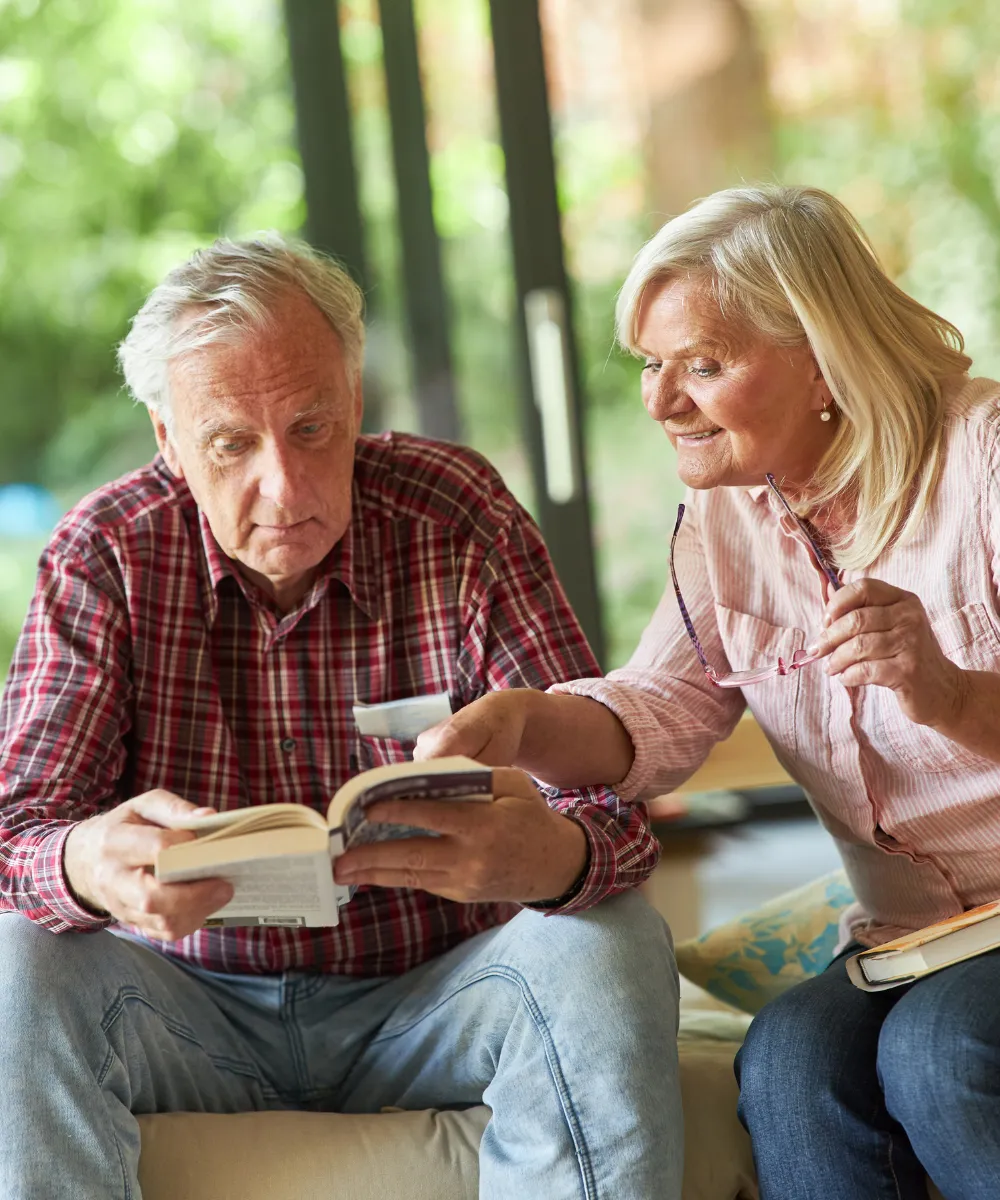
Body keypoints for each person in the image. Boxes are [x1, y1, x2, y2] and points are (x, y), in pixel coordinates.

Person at [0, 234, 682, 1200]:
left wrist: (556, 857)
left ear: (356, 401)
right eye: (231, 443)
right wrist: (83, 863)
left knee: (610, 939)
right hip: (184, 1007)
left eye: (314, 429)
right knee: (15, 960)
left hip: (437, 996)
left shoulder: (457, 514)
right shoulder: (105, 553)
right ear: (167, 439)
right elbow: (13, 832)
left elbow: (612, 816)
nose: (283, 486)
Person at [416, 183, 1000, 1198]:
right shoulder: (724, 523)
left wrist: (943, 691)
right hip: (909, 936)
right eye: (651, 364)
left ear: (822, 357)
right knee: (786, 1057)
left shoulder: (983, 455)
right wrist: (526, 725)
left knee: (938, 1052)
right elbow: (662, 713)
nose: (658, 401)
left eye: (703, 364)